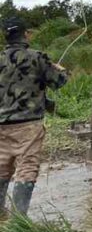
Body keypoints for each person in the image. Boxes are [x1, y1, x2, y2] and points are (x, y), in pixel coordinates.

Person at [0, 17, 68, 217]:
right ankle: (19, 223)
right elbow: (58, 82)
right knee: (27, 169)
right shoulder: (38, 57)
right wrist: (61, 70)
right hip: (28, 125)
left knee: (2, 169)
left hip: (1, 125)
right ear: (25, 34)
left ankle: (2, 220)